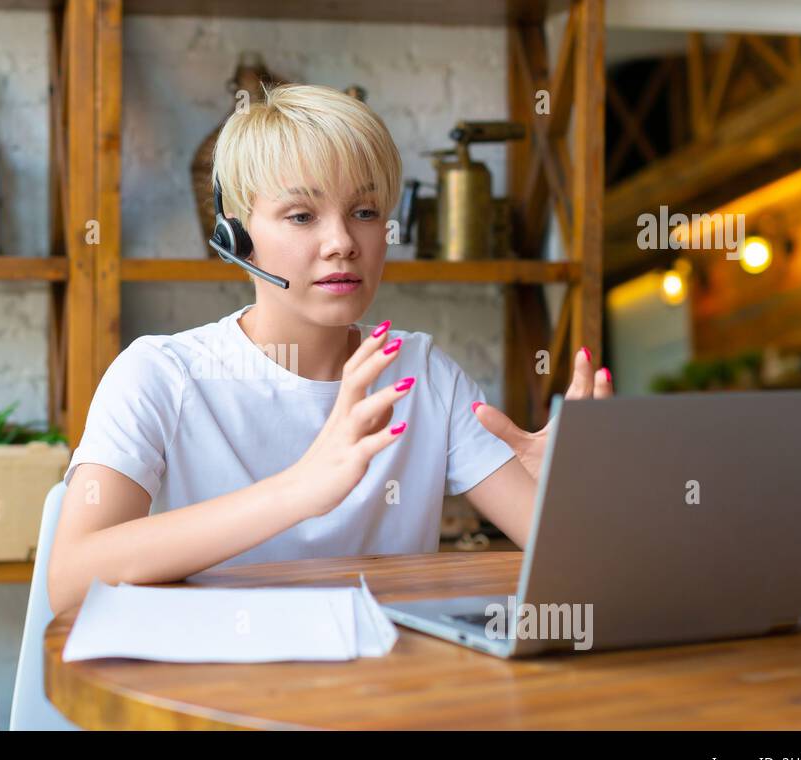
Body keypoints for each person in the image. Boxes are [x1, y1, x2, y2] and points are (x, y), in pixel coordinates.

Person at [48, 84, 611, 615]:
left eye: (365, 212)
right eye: (301, 216)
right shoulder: (160, 375)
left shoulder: (423, 375)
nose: (343, 242)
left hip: (382, 696)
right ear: (234, 235)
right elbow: (71, 582)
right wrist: (298, 490)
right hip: (219, 698)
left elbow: (588, 567)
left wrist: (580, 490)